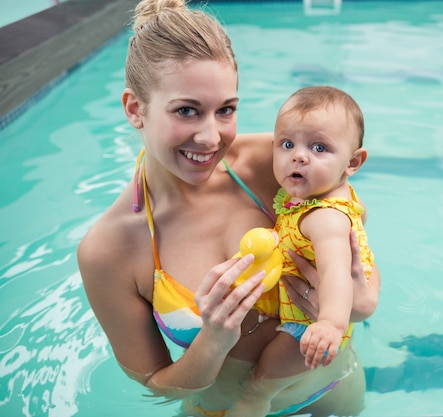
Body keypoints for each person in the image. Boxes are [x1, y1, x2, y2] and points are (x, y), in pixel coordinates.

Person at [76, 0, 380, 416]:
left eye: (226, 110)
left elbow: (352, 234)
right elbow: (155, 386)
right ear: (135, 109)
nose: (210, 137)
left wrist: (359, 302)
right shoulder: (109, 250)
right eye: (187, 110)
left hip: (330, 387)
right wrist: (214, 340)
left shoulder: (278, 163)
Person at [226, 86, 374, 417]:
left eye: (319, 147)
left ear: (353, 162)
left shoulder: (323, 218)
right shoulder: (333, 196)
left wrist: (331, 324)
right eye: (287, 144)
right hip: (311, 322)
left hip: (306, 329)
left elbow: (337, 269)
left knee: (256, 390)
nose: (299, 156)